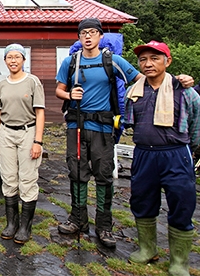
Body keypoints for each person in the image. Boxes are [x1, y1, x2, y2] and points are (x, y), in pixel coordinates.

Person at [55, 18, 143, 248]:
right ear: (79, 37)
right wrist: (69, 96)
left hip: (103, 128)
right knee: (76, 173)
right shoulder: (70, 62)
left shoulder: (113, 61)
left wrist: (175, 82)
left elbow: (141, 79)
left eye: (93, 32)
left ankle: (104, 226)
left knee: (104, 176)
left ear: (100, 36)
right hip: (76, 126)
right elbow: (58, 90)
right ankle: (78, 220)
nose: (88, 36)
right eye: (83, 33)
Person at [124, 41, 200, 276]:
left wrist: (186, 149)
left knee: (182, 203)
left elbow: (198, 124)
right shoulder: (135, 91)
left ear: (167, 61)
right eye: (143, 60)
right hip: (144, 154)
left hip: (176, 154)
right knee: (142, 201)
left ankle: (179, 262)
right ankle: (147, 249)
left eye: (154, 58)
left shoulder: (184, 91)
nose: (147, 64)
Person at [0, 44, 45, 244]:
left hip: (27, 133)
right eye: (9, 57)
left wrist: (38, 141)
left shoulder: (33, 82)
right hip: (6, 133)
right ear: (5, 60)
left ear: (23, 60)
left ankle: (25, 226)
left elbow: (39, 112)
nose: (13, 61)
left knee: (27, 179)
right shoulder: (1, 85)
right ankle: (11, 224)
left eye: (17, 57)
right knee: (9, 178)